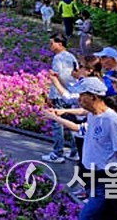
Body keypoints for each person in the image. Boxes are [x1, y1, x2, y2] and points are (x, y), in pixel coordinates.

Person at [45, 76, 117, 220]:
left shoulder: (112, 121)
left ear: (93, 97)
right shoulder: (93, 115)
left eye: (82, 95)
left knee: (87, 216)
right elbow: (81, 126)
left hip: (108, 179)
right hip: (92, 176)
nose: (79, 99)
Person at [43, 34, 79, 164]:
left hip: (60, 94)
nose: (50, 46)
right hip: (71, 94)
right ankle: (75, 151)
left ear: (59, 44)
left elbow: (56, 78)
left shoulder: (58, 59)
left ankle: (57, 152)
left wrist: (51, 96)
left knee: (57, 123)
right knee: (72, 123)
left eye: (52, 43)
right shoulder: (71, 56)